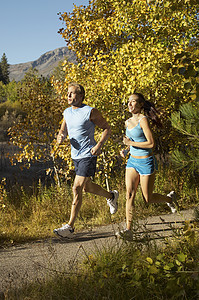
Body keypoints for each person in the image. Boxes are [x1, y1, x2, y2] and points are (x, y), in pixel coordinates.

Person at [53, 82, 119, 239]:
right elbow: (62, 130)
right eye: (68, 92)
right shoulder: (67, 113)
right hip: (75, 156)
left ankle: (69, 227)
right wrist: (60, 137)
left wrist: (99, 145)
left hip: (88, 154)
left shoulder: (90, 111)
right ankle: (111, 197)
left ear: (81, 96)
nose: (69, 95)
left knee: (76, 188)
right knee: (87, 188)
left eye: (73, 93)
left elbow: (107, 128)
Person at [117, 92, 177, 240]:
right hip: (132, 162)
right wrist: (126, 150)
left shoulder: (143, 120)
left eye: (133, 102)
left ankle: (170, 199)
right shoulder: (127, 122)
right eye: (129, 102)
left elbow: (150, 143)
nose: (130, 104)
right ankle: (129, 230)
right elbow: (131, 142)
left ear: (141, 104)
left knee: (147, 199)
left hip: (146, 162)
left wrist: (130, 143)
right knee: (129, 194)